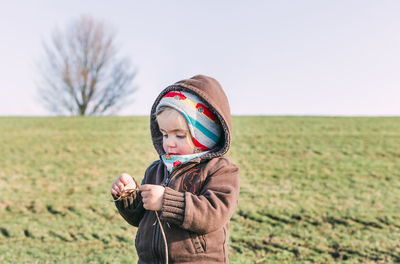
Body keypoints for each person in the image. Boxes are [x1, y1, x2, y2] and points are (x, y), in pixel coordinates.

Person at [110, 75, 240, 263]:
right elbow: (139, 219)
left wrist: (165, 200)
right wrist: (128, 196)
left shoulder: (220, 170)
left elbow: (214, 213)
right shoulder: (157, 169)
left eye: (179, 135)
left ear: (204, 136)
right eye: (164, 134)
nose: (169, 143)